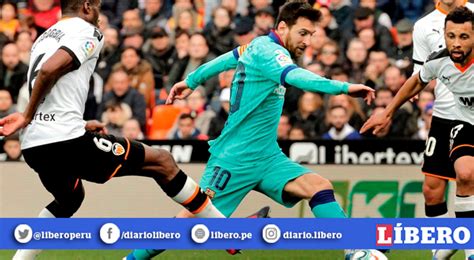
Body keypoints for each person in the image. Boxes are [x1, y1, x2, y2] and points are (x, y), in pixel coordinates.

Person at [126, 2, 374, 259]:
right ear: (282, 27)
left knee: (319, 187)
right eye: (302, 33)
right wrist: (345, 88)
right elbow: (296, 77)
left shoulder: (257, 46)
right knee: (187, 221)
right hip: (234, 158)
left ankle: (354, 249)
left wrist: (191, 81)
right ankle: (131, 258)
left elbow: (228, 58)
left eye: (311, 35)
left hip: (267, 156)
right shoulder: (271, 53)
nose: (307, 41)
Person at [0, 1, 225, 259]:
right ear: (87, 6)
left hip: (36, 144)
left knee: (69, 200)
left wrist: (80, 123)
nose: (100, 15)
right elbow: (50, 69)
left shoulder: (44, 37)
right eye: (97, 7)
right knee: (162, 161)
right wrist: (27, 114)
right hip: (64, 141)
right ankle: (226, 232)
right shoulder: (87, 30)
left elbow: (54, 88)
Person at [361, 7, 474, 260]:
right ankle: (467, 251)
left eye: (464, 37)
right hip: (465, 123)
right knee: (464, 174)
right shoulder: (439, 59)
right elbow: (416, 81)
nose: (456, 43)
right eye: (451, 36)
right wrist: (387, 112)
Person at [411, 0, 474, 258]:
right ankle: (440, 249)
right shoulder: (423, 25)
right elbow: (419, 74)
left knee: (466, 175)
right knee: (432, 190)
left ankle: (469, 246)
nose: (456, 41)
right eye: (451, 36)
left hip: (468, 113)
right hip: (444, 113)